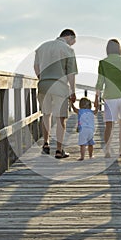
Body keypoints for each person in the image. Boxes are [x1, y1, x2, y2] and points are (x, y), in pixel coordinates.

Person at [34, 29, 78, 159]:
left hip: (43, 86)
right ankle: (59, 150)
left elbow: (36, 67)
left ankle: (45, 144)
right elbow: (71, 74)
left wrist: (42, 78)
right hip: (60, 86)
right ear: (69, 37)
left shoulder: (41, 47)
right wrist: (73, 92)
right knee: (60, 118)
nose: (72, 45)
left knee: (46, 114)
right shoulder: (68, 50)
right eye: (72, 42)